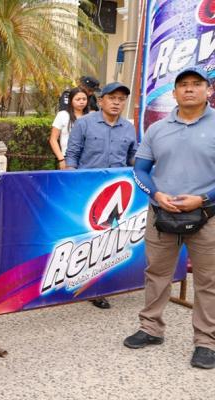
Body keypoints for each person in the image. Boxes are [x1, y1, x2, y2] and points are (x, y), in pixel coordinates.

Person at [126, 66, 215, 369]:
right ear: (174, 93)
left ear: (208, 90)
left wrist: (203, 198)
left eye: (196, 84)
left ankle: (206, 342)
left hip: (206, 214)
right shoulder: (157, 129)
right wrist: (156, 194)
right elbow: (140, 169)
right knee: (156, 274)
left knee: (208, 280)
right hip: (161, 214)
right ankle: (150, 328)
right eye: (183, 85)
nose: (189, 89)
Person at [64, 81, 137, 309]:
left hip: (118, 193)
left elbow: (133, 158)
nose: (116, 102)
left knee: (110, 239)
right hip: (87, 192)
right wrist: (71, 183)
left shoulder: (128, 128)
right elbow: (72, 155)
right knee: (86, 237)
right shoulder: (84, 124)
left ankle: (99, 288)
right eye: (112, 98)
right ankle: (76, 280)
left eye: (121, 99)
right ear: (101, 100)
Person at [50, 87, 90, 169]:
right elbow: (53, 139)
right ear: (71, 100)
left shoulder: (91, 116)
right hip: (68, 158)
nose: (81, 102)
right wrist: (61, 159)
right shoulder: (62, 115)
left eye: (84, 99)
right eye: (78, 99)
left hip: (88, 159)